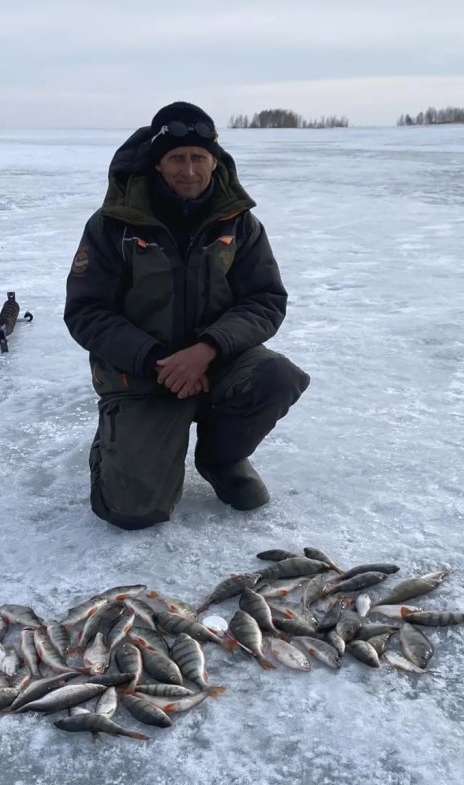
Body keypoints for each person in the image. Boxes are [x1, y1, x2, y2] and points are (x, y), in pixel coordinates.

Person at [64, 101, 310, 530]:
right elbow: (86, 311)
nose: (190, 170)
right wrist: (157, 358)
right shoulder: (111, 226)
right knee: (133, 512)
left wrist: (208, 348)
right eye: (177, 158)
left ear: (215, 161)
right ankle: (116, 445)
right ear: (157, 163)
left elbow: (266, 299)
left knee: (277, 376)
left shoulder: (240, 223)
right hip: (141, 372)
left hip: (216, 362)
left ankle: (221, 459)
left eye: (200, 157)